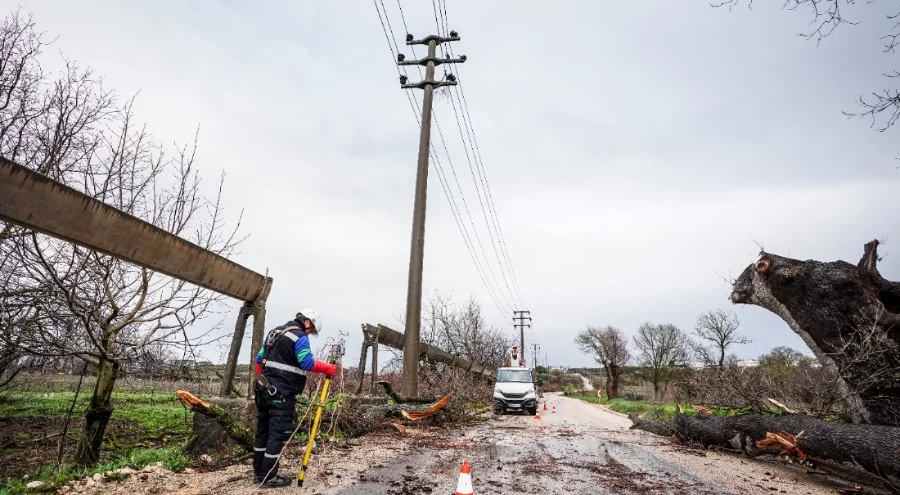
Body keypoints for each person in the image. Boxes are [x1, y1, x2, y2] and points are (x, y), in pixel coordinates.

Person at [252, 309, 336, 488]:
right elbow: (307, 362)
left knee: (262, 433)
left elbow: (259, 360)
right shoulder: (299, 337)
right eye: (311, 330)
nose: (310, 333)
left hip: (263, 391)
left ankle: (258, 474)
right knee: (277, 435)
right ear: (307, 322)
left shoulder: (274, 333)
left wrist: (263, 382)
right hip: (282, 394)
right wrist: (327, 368)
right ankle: (268, 478)